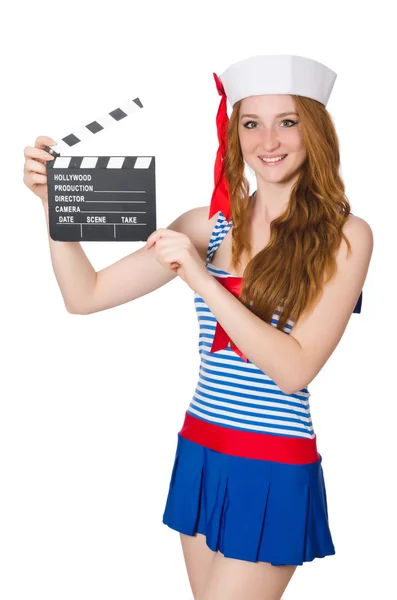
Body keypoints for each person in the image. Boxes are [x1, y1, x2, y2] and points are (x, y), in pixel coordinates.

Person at [23, 54, 373, 600]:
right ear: (235, 133)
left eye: (288, 120)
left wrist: (203, 280)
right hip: (201, 448)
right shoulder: (207, 226)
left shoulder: (347, 236)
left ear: (316, 130)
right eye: (251, 123)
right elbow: (83, 296)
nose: (268, 139)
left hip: (271, 462)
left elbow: (294, 367)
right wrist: (54, 208)